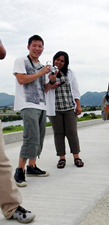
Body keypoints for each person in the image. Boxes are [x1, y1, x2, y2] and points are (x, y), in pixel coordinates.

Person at [0, 39, 35, 223]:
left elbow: (1, 52)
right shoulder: (21, 62)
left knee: (1, 161)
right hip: (28, 106)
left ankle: (11, 206)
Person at [13, 35, 55, 187]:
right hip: (27, 104)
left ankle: (32, 166)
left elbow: (43, 88)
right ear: (28, 47)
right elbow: (22, 80)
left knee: (39, 138)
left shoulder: (42, 66)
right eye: (34, 45)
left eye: (40, 46)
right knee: (30, 138)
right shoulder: (21, 61)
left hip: (41, 105)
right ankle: (19, 170)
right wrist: (41, 73)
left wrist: (51, 81)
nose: (37, 49)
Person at [45, 51, 84, 168]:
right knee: (58, 134)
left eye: (62, 60)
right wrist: (51, 80)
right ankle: (61, 158)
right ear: (53, 60)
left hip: (69, 107)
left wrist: (78, 104)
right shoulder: (47, 73)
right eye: (57, 59)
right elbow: (44, 89)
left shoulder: (70, 73)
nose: (59, 62)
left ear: (66, 62)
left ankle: (76, 157)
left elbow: (75, 89)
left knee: (72, 133)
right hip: (54, 108)